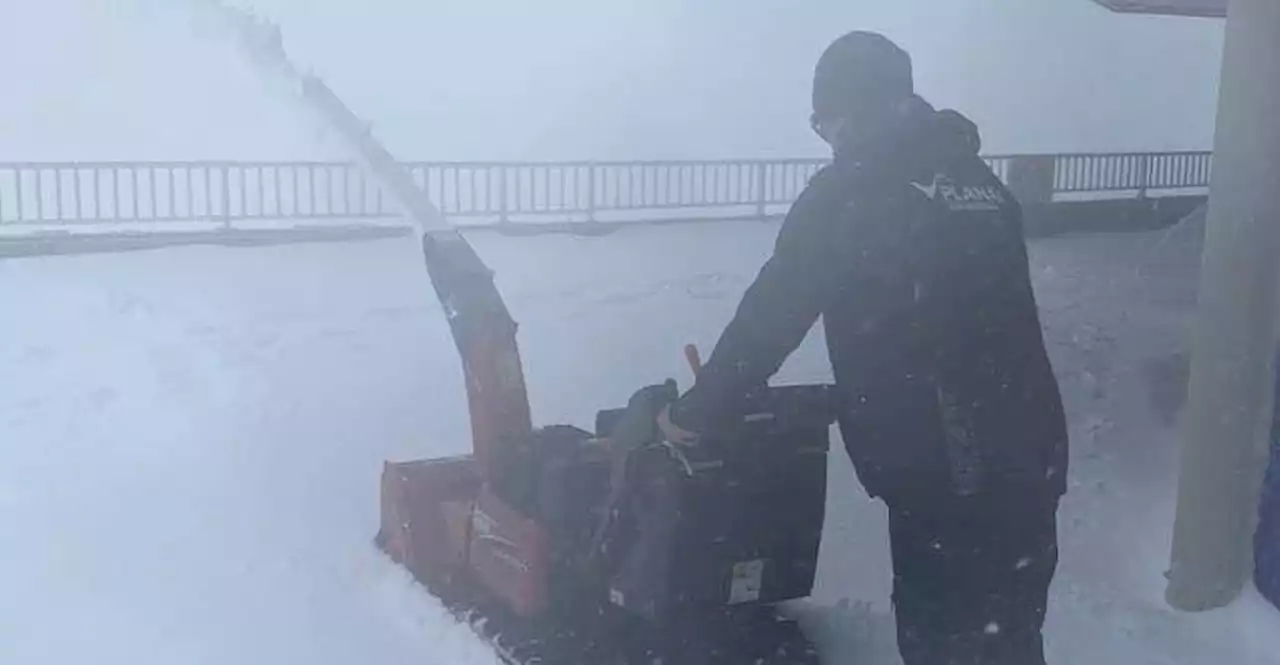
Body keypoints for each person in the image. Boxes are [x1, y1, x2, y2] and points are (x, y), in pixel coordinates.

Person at [656, 31, 1069, 665]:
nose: (828, 141)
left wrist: (696, 413)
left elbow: (772, 315)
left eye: (826, 124)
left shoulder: (851, 191)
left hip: (945, 467)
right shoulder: (976, 180)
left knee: (946, 639)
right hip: (1030, 455)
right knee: (1011, 636)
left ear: (850, 111)